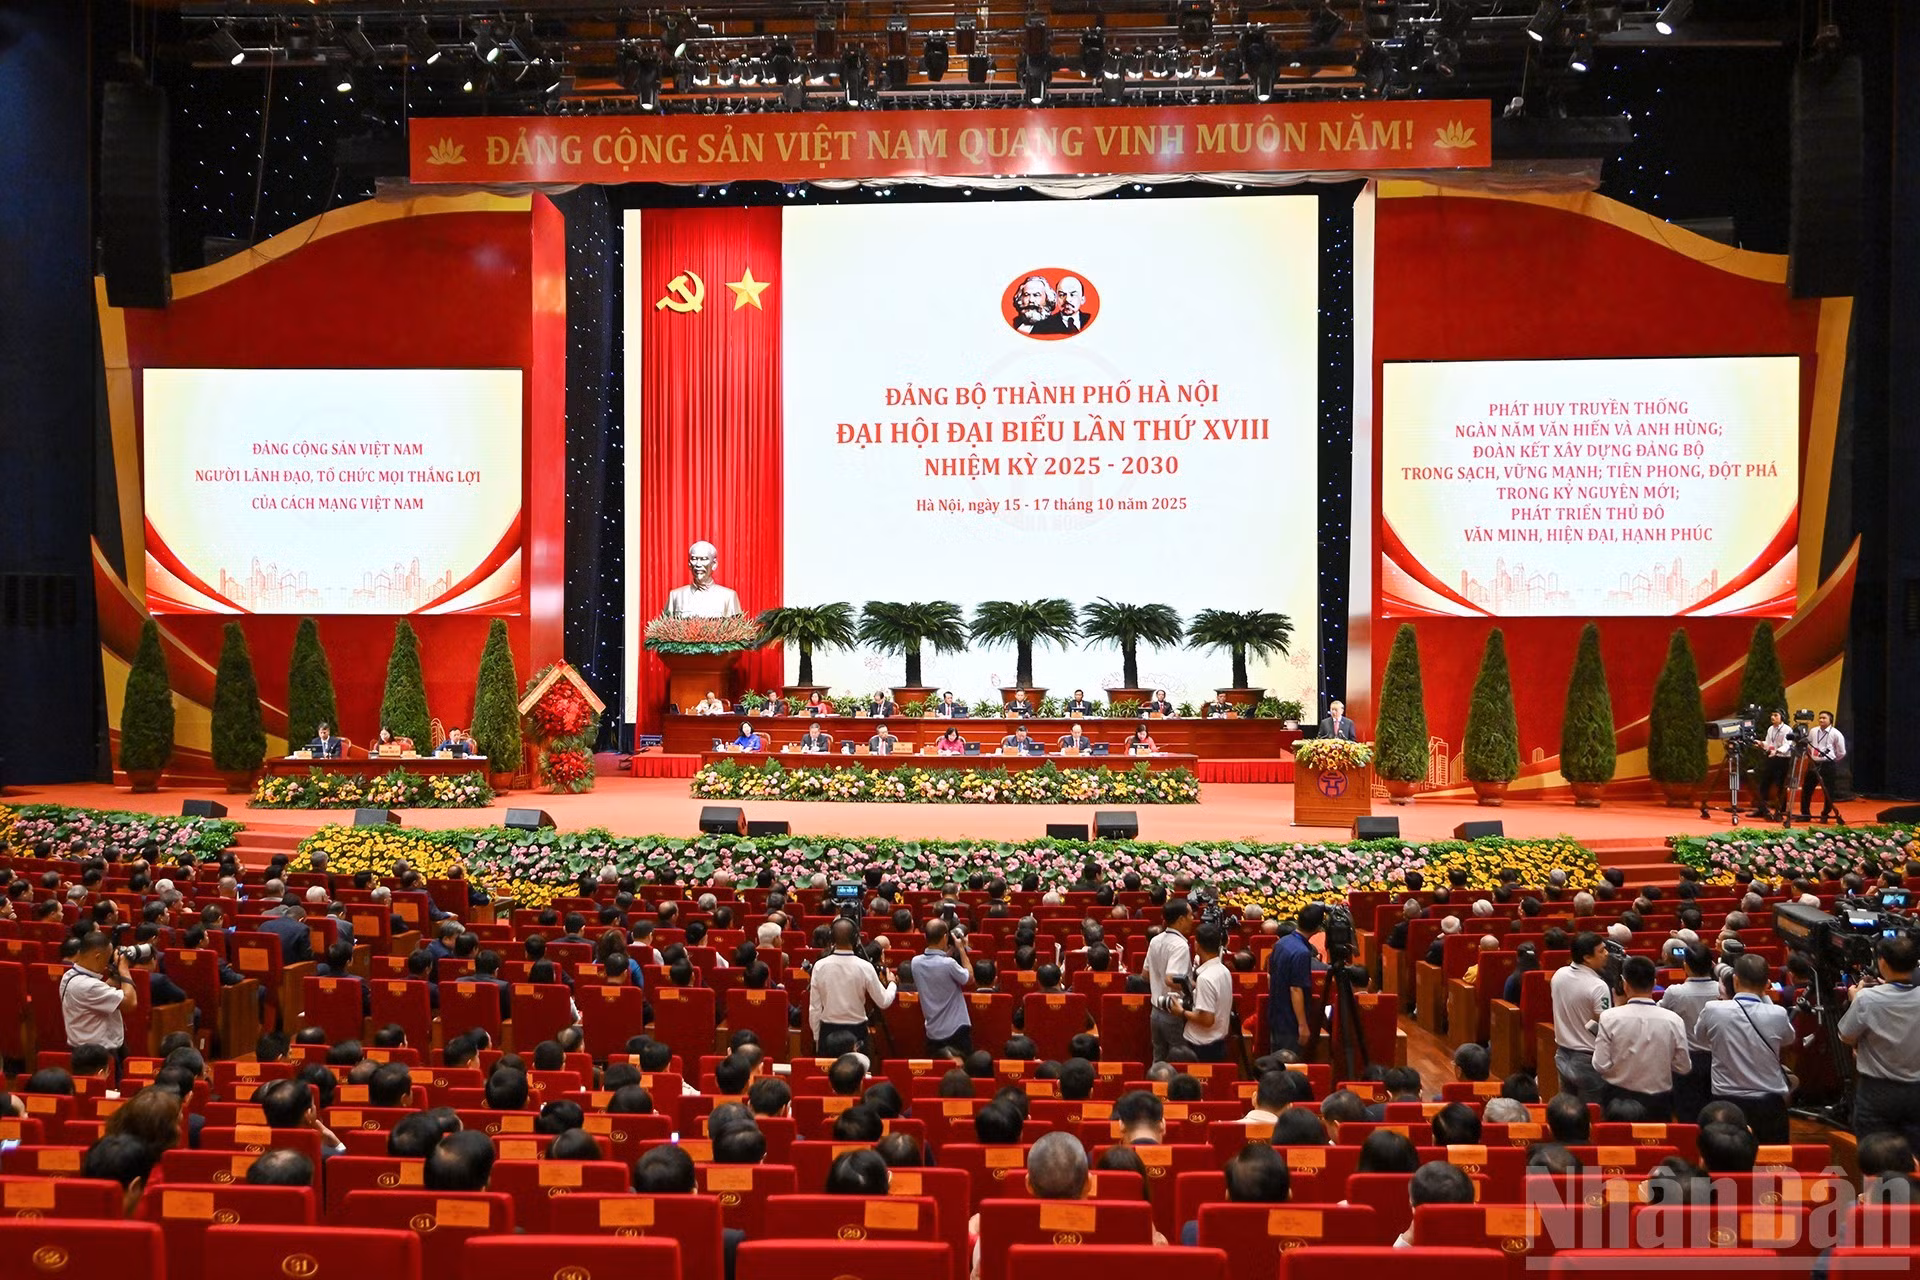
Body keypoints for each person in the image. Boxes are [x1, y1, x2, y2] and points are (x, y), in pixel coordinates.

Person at [1695, 952, 1796, 1143]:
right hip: (1769, 1103)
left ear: (1735, 980)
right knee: (1772, 1157)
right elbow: (1788, 1040)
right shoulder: (1778, 1014)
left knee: (1727, 1155)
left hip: (1726, 1102)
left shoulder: (1713, 1009)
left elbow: (1700, 1038)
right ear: (1767, 984)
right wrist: (1765, 997)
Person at [1839, 935, 1920, 1148]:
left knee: (1876, 1153)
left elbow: (1846, 1036)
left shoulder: (1867, 999)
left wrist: (1855, 1000)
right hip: (1916, 1090)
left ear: (1882, 962)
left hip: (1878, 1090)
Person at [1592, 955, 1692, 1121]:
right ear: (1654, 983)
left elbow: (1600, 1065)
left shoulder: (1609, 1017)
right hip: (1659, 1102)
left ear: (1624, 984)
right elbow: (1683, 1067)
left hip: (1618, 1099)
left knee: (1618, 1138)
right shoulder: (1674, 1020)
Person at [808, 917, 897, 1051]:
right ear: (856, 939)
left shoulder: (819, 966)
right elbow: (883, 1001)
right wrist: (892, 983)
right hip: (857, 1030)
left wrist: (817, 1037)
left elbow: (814, 1008)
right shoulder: (865, 967)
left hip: (828, 1030)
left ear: (832, 939)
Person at [1658, 943, 1722, 1123]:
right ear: (1711, 964)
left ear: (1685, 966)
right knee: (1715, 1112)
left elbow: (1659, 1014)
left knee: (1687, 1115)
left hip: (1686, 1059)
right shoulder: (1721, 989)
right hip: (1717, 1058)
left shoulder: (1675, 992)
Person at [1549, 932, 1614, 1105]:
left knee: (1568, 1111)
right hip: (1588, 1060)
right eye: (1601, 951)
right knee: (1592, 1114)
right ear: (1587, 958)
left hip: (1562, 1054)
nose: (1607, 953)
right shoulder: (1598, 986)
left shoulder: (1558, 975)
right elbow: (1605, 1025)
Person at [61, 932, 135, 1065]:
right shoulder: (88, 986)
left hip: (82, 1049)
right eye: (107, 959)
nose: (107, 964)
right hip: (98, 1055)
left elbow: (99, 995)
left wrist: (116, 972)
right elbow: (130, 1003)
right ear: (98, 957)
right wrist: (124, 969)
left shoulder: (69, 975)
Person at [1173, 923, 1234, 1062]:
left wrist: (1181, 1012)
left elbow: (1207, 1020)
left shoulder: (1205, 978)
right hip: (1217, 1042)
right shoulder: (1224, 970)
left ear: (1197, 945)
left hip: (1202, 1047)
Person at [1146, 900, 1195, 1063]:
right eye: (1190, 915)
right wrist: (1196, 985)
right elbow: (1171, 979)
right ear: (1181, 919)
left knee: (1158, 1060)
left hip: (1155, 1012)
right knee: (1180, 1061)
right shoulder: (1180, 945)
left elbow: (1145, 974)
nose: (1193, 918)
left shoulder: (1155, 940)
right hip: (1173, 1012)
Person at [1270, 905, 1323, 1056]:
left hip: (1276, 1014)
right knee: (1289, 1062)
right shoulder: (1302, 953)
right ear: (1318, 928)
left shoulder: (1281, 942)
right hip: (1290, 1021)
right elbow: (1296, 989)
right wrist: (1302, 1025)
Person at [916, 918, 973, 1057]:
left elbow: (936, 963)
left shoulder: (915, 963)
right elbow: (970, 978)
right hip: (956, 1030)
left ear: (925, 937)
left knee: (937, 1069)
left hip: (933, 1031)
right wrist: (961, 949)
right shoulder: (949, 964)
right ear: (944, 937)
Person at [1396, 1162, 1476, 1247]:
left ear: (1413, 1208)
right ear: (1472, 1205)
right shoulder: (1480, 1242)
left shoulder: (1409, 1241)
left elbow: (1396, 1254)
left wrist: (1408, 1238)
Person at [665, 539, 744, 618]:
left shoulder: (728, 596)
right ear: (689, 564)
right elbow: (665, 624)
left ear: (714, 564)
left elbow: (737, 625)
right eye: (694, 559)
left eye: (704, 559)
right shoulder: (675, 596)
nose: (698, 564)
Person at [1800, 710, 1847, 822]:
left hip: (1828, 764)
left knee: (1828, 790)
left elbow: (1841, 752)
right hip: (1814, 763)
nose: (1821, 720)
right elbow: (1809, 745)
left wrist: (1832, 759)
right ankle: (1805, 814)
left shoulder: (1836, 733)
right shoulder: (1813, 731)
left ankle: (1825, 814)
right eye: (1820, 718)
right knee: (1807, 789)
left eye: (1824, 718)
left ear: (1830, 720)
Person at [1758, 708, 1793, 819]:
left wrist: (1777, 751)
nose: (1772, 717)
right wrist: (1761, 744)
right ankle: (1761, 809)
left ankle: (1780, 811)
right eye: (1772, 715)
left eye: (1775, 715)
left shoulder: (1787, 729)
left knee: (1781, 785)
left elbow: (1787, 745)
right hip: (1772, 758)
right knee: (1764, 783)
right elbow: (1769, 743)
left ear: (1782, 717)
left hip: (1783, 759)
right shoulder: (1770, 728)